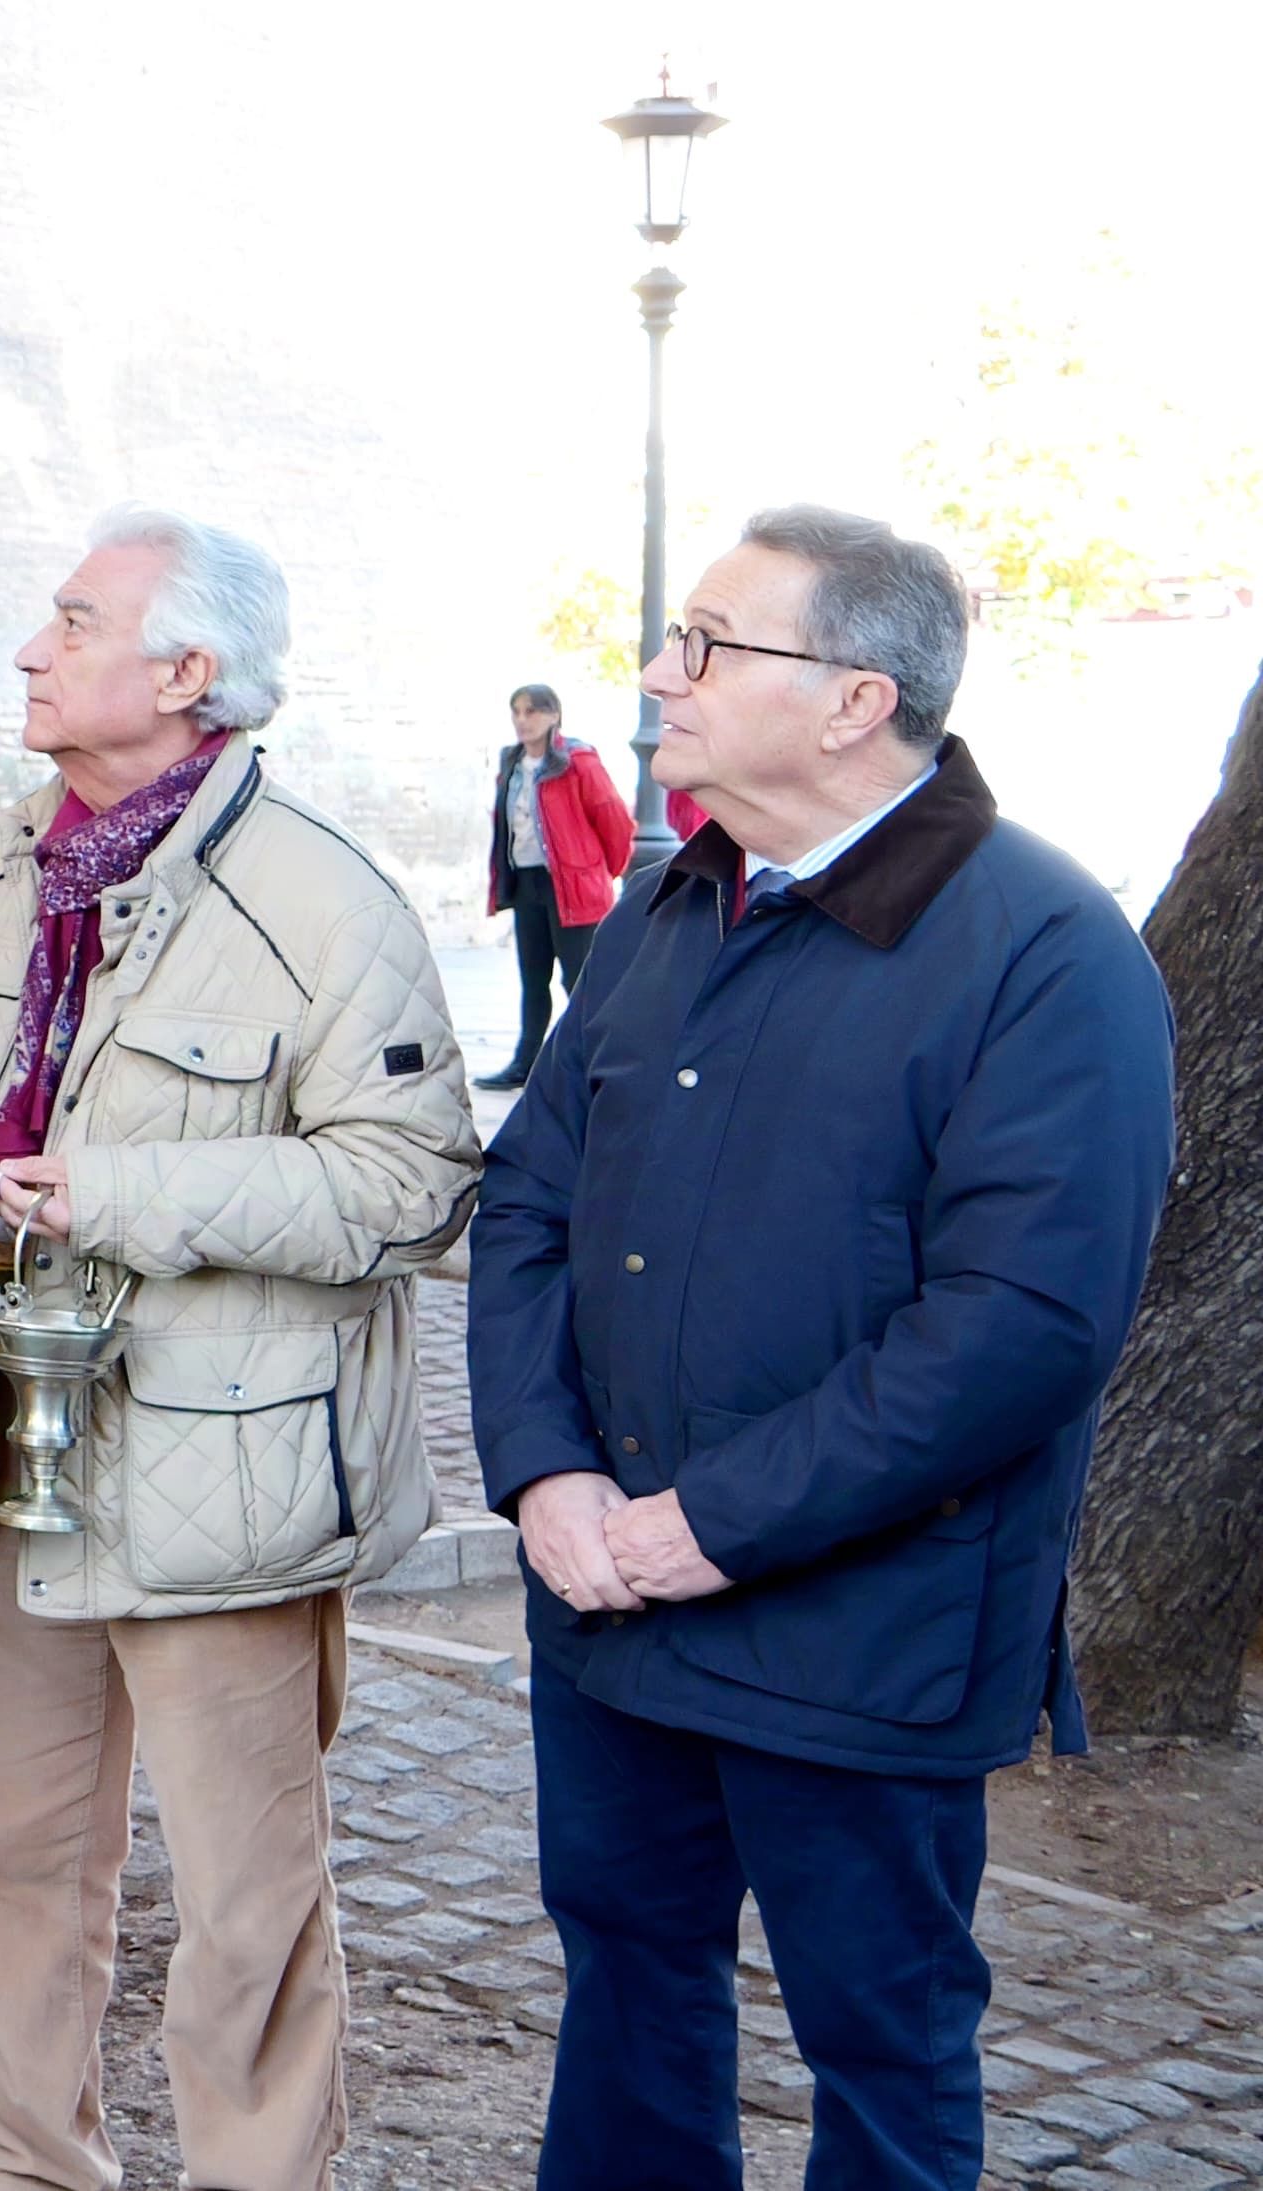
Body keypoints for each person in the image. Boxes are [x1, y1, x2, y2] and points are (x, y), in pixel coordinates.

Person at [467, 508, 1171, 2191]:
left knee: (881, 2043)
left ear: (857, 701)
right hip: (611, 1605)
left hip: (870, 1633)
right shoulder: (662, 908)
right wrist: (548, 1475)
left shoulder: (1049, 952)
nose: (657, 673)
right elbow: (528, 1215)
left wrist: (702, 1525)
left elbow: (1018, 1330)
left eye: (710, 644)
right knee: (628, 1985)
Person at [0, 507, 479, 2191]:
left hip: (224, 1473)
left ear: (187, 674)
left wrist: (118, 1192)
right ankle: (28, 2170)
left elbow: (418, 1188)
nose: (30, 648)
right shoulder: (16, 857)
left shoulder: (325, 899)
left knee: (245, 1906)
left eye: (71, 621)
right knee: (3, 1855)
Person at [476, 683, 633, 1090]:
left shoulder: (576, 761)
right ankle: (524, 1063)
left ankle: (599, 1062)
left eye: (531, 712)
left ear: (553, 715)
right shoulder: (510, 763)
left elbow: (614, 820)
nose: (522, 721)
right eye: (516, 712)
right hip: (528, 883)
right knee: (533, 977)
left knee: (578, 979)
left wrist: (600, 874)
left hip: (572, 887)